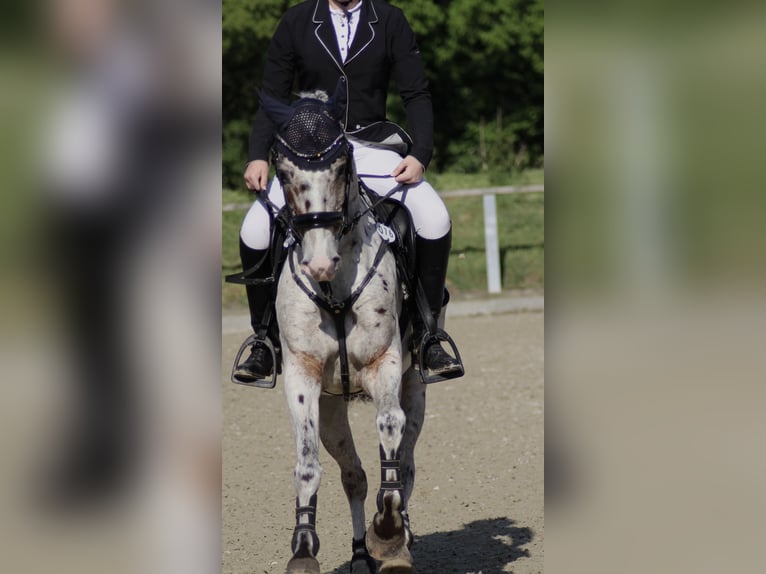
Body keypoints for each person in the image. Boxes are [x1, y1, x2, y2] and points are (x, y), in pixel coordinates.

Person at [235, 0, 462, 383]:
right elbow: (272, 93)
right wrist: (257, 155)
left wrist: (420, 154)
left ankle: (428, 334)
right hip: (311, 150)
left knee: (435, 218)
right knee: (254, 229)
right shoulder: (296, 20)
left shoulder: (388, 19)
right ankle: (265, 341)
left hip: (372, 147)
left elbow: (416, 93)